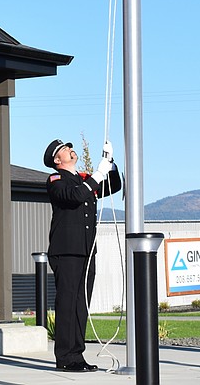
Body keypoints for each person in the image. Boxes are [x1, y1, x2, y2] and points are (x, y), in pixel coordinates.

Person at [44, 138, 122, 373]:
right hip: (66, 251)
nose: (70, 149)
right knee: (67, 304)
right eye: (64, 149)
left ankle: (76, 355)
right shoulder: (56, 180)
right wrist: (98, 173)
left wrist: (110, 163)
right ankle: (65, 357)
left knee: (80, 305)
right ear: (58, 160)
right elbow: (75, 196)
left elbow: (112, 186)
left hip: (86, 250)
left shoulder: (84, 180)